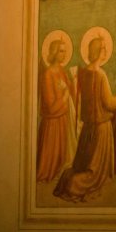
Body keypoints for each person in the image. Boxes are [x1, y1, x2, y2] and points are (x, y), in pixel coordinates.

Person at [54, 34, 116, 203]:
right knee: (93, 171)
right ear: (98, 51)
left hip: (88, 129)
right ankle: (73, 185)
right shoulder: (100, 75)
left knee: (81, 164)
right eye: (103, 48)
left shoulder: (84, 73)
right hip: (101, 128)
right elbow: (109, 103)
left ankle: (68, 181)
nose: (105, 51)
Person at [37, 35, 77, 182]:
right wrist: (65, 96)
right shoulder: (48, 74)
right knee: (50, 163)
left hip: (63, 121)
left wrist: (74, 82)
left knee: (63, 158)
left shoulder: (62, 71)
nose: (64, 54)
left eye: (65, 51)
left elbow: (72, 94)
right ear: (54, 52)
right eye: (61, 51)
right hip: (52, 124)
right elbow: (50, 106)